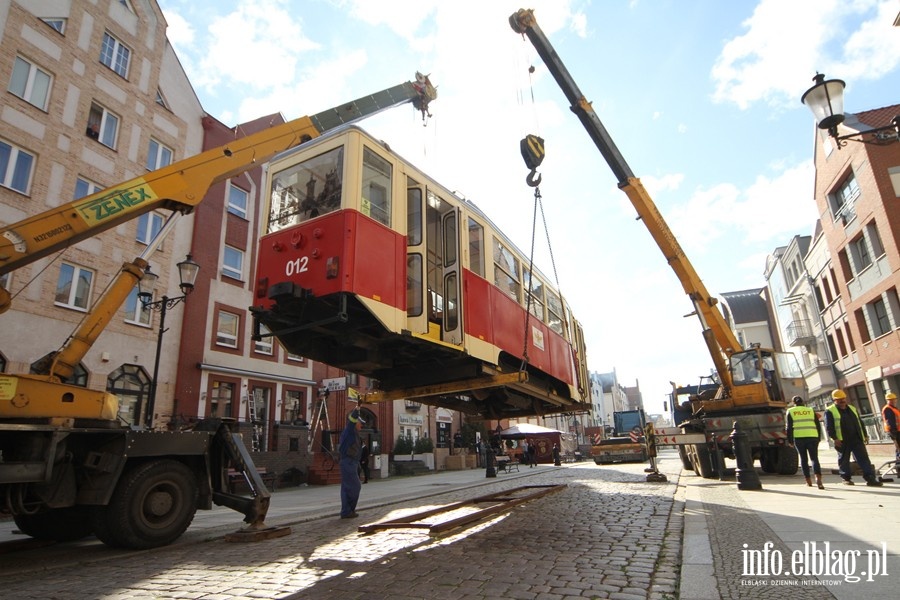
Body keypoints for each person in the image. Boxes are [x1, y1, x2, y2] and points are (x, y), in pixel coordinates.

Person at [823, 389, 882, 486]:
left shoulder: (852, 408)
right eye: (839, 399)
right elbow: (829, 426)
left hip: (856, 438)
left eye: (843, 398)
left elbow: (860, 423)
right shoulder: (830, 411)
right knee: (844, 460)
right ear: (834, 400)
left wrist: (865, 435)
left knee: (864, 459)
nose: (842, 401)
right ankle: (846, 478)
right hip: (842, 440)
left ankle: (870, 478)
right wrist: (834, 438)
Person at [785, 396, 824, 489]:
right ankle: (818, 479)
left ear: (793, 402)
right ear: (803, 402)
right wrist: (818, 437)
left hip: (799, 438)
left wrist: (790, 441)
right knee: (814, 458)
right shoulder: (810, 410)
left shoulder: (790, 411)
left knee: (803, 459)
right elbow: (817, 425)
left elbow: (789, 428)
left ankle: (808, 480)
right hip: (812, 436)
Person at [339, 407, 364, 518]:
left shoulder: (353, 433)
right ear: (355, 423)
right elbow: (352, 420)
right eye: (360, 423)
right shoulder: (349, 431)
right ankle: (348, 510)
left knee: (346, 487)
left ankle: (347, 511)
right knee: (355, 486)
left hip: (351, 462)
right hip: (348, 462)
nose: (361, 425)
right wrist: (356, 409)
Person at [882, 392, 900, 463]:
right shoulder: (888, 409)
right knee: (898, 448)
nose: (894, 401)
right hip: (895, 431)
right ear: (888, 400)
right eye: (891, 400)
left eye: (894, 399)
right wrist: (893, 432)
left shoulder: (894, 408)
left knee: (898, 448)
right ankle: (898, 464)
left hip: (897, 431)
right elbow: (889, 421)